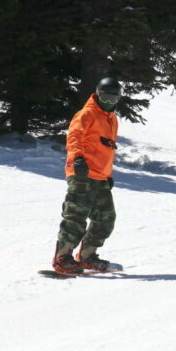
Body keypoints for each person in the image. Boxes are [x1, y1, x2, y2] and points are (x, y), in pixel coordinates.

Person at [51, 77, 121, 273]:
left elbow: (104, 148)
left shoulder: (112, 119)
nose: (108, 102)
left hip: (100, 176)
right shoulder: (87, 113)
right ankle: (62, 258)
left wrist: (107, 173)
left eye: (112, 98)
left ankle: (88, 257)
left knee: (106, 218)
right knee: (76, 215)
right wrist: (77, 159)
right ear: (97, 95)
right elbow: (74, 136)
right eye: (105, 97)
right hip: (82, 173)